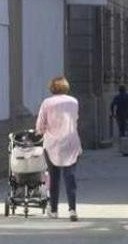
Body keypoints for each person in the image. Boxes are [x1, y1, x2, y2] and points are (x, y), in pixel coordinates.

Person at [35, 76, 82, 222]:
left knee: (54, 178)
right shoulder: (74, 101)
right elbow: (75, 119)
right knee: (70, 177)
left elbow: (40, 124)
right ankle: (72, 210)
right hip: (71, 142)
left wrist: (40, 131)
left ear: (52, 88)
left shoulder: (47, 102)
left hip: (52, 144)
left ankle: (54, 210)